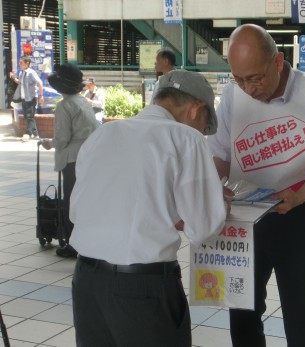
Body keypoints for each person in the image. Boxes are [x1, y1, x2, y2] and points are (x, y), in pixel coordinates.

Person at [206, 24, 305, 346]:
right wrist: (214, 187)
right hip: (242, 214)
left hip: (297, 212)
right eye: (238, 79)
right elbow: (220, 153)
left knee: (301, 312)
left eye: (255, 78)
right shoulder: (232, 94)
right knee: (242, 309)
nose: (248, 89)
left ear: (278, 62)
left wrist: (300, 196)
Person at [69, 70, 227, 346]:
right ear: (195, 109)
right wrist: (219, 200)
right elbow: (204, 230)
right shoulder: (185, 138)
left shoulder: (102, 135)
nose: (202, 132)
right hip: (142, 288)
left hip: (86, 281)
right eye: (204, 125)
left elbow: (86, 208)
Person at [41, 64, 97, 258]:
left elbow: (62, 138)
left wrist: (49, 143)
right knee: (84, 199)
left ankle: (73, 244)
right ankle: (88, 240)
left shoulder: (65, 105)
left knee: (71, 201)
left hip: (72, 158)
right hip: (88, 156)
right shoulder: (82, 102)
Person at [12, 55, 44, 141]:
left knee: (29, 116)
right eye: (19, 62)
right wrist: (14, 78)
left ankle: (31, 133)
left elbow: (40, 83)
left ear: (27, 63)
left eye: (21, 62)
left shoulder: (31, 72)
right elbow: (21, 83)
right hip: (24, 98)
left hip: (31, 98)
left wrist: (41, 95)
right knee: (28, 116)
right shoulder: (22, 72)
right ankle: (32, 133)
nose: (20, 64)